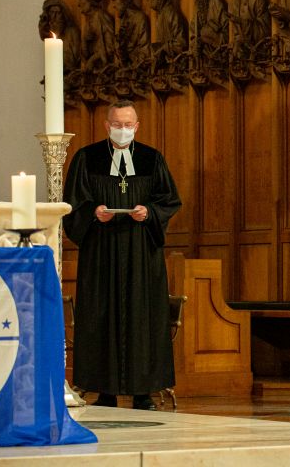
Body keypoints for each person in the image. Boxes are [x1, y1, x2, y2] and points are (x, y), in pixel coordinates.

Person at [63, 100, 182, 410]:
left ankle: (143, 393)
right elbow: (72, 204)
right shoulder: (86, 158)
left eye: (129, 125)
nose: (123, 130)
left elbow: (170, 200)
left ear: (137, 126)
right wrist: (93, 213)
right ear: (107, 125)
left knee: (143, 318)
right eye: (118, 124)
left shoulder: (151, 159)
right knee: (101, 316)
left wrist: (150, 211)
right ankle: (105, 392)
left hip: (142, 252)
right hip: (101, 252)